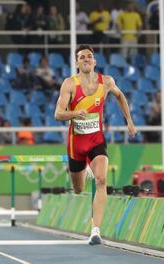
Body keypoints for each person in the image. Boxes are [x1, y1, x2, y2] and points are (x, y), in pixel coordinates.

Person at [54, 45, 136, 245]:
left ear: (95, 61)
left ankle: (95, 231)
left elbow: (120, 96)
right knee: (78, 189)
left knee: (101, 180)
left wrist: (129, 120)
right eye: (82, 57)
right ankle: (83, 170)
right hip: (76, 143)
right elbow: (58, 114)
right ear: (77, 63)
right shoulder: (69, 84)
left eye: (89, 56)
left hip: (96, 139)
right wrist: (74, 113)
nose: (86, 59)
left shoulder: (106, 82)